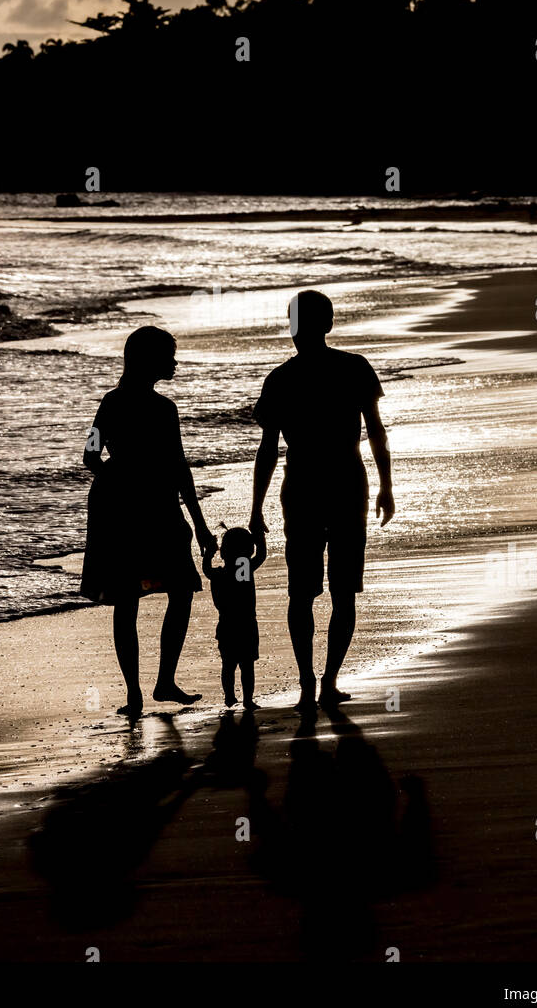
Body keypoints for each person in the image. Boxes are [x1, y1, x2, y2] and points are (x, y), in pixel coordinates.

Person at [249, 290, 395, 712]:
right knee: (333, 591)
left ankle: (314, 682)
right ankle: (322, 681)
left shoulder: (283, 378)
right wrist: (386, 485)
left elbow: (268, 450)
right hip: (342, 485)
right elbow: (376, 433)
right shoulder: (353, 368)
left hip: (308, 488)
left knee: (309, 592)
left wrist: (257, 509)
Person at [80, 325, 217, 718]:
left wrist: (117, 477)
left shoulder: (111, 402)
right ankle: (162, 682)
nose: (174, 362)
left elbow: (90, 456)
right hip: (152, 504)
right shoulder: (162, 409)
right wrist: (200, 524)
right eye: (168, 356)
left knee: (128, 599)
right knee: (179, 590)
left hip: (117, 503)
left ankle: (137, 694)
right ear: (149, 360)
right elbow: (179, 468)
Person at [203, 527, 265, 710]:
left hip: (226, 625)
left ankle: (229, 696)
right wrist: (259, 537)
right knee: (247, 666)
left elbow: (206, 569)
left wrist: (208, 552)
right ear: (248, 551)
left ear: (223, 552)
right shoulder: (242, 570)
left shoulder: (218, 574)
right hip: (245, 624)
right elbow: (260, 556)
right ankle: (247, 699)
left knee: (228, 665)